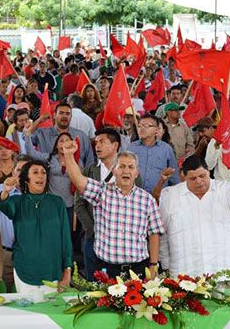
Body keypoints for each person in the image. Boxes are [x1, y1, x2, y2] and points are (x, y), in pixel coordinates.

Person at [64, 144, 163, 278]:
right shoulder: (102, 192)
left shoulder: (147, 200)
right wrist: (69, 155)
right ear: (114, 170)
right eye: (121, 166)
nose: (126, 171)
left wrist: (153, 265)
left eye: (131, 167)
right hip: (106, 270)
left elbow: (154, 233)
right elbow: (79, 181)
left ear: (137, 172)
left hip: (138, 269)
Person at [158, 155, 230, 279]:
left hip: (223, 273)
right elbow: (162, 233)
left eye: (202, 176)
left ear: (208, 171)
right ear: (184, 177)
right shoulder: (170, 196)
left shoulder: (225, 190)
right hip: (184, 274)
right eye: (193, 178)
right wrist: (165, 264)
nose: (198, 181)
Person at [74, 128, 142, 281]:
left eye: (102, 142)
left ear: (115, 145)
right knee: (94, 284)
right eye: (96, 142)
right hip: (93, 237)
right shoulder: (90, 171)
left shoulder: (130, 172)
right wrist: (92, 228)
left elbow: (137, 201)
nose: (97, 146)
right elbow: (79, 204)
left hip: (122, 241)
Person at [0, 160, 72, 294]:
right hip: (25, 268)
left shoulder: (57, 202)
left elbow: (65, 238)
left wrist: (67, 269)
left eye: (43, 172)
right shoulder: (17, 202)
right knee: (28, 312)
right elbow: (4, 205)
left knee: (51, 312)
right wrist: (6, 191)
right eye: (35, 172)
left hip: (52, 269)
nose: (40, 176)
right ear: (26, 179)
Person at [0, 154, 33, 292]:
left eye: (25, 171)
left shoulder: (37, 193)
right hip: (6, 253)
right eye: (18, 170)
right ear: (13, 171)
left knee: (27, 292)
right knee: (4, 292)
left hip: (28, 253)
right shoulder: (3, 189)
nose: (20, 174)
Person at [30, 103, 95, 167]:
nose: (64, 116)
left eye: (67, 114)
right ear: (54, 115)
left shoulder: (81, 136)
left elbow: (90, 160)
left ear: (71, 117)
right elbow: (26, 137)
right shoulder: (42, 133)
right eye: (61, 113)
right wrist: (39, 120)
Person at [128, 114, 179, 193]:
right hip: (136, 196)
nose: (142, 129)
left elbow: (174, 176)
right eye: (140, 126)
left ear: (156, 130)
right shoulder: (131, 148)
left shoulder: (166, 149)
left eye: (146, 126)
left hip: (159, 196)